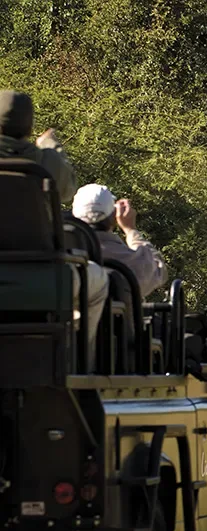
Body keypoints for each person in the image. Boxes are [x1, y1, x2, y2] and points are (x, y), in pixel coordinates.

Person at [0, 90, 108, 367]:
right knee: (99, 282)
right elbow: (68, 189)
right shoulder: (43, 161)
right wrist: (50, 147)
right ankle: (74, 362)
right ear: (27, 124)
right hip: (41, 277)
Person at [72, 183, 168, 298]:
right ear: (114, 216)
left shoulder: (61, 252)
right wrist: (130, 230)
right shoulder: (127, 259)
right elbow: (158, 269)